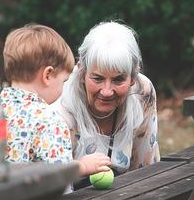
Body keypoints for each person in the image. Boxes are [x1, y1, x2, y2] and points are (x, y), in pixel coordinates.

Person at [0, 24, 111, 177]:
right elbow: (57, 174)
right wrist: (82, 166)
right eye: (64, 81)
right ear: (47, 75)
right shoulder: (48, 121)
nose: (64, 87)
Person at [53, 21, 160, 176]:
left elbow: (148, 169)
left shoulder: (142, 92)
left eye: (118, 80)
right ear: (82, 72)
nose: (107, 91)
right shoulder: (61, 103)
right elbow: (55, 183)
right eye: (97, 78)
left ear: (133, 77)